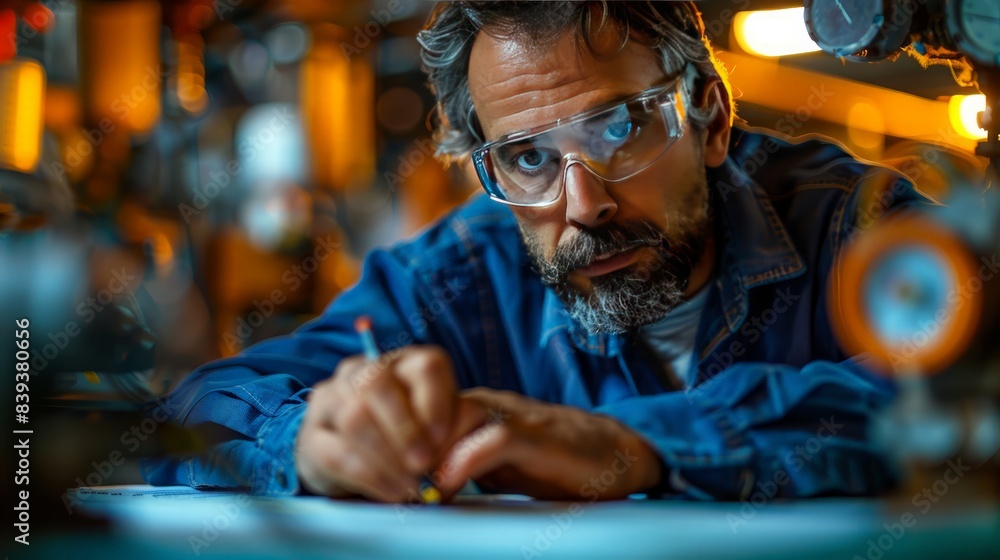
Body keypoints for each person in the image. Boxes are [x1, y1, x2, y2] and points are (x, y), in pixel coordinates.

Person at [142, 1, 930, 502]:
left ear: (711, 120)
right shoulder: (458, 277)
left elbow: (960, 393)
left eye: (619, 128)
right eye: (527, 158)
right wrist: (309, 442)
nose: (582, 206)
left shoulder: (858, 227)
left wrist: (634, 445)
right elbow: (192, 410)